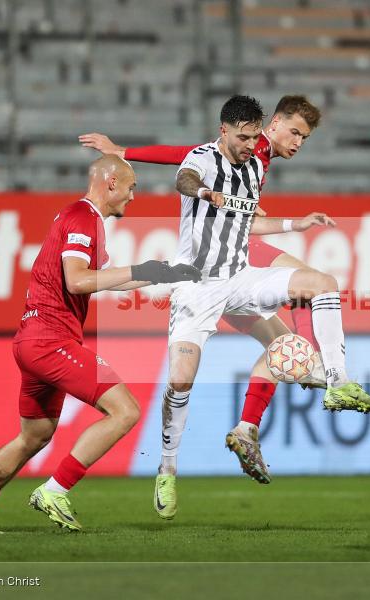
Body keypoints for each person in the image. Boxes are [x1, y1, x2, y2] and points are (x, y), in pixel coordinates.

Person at [80, 96, 344, 485]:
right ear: (273, 124)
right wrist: (124, 152)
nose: (298, 142)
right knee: (308, 285)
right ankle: (320, 368)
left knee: (283, 343)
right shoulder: (250, 146)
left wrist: (124, 150)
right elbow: (187, 160)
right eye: (295, 132)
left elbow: (186, 155)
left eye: (305, 138)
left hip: (233, 264)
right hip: (225, 253)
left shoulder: (251, 156)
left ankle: (248, 428)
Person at [154, 95, 370, 520]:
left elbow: (248, 222)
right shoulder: (203, 158)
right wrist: (206, 191)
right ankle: (168, 466)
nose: (252, 144)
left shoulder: (257, 166)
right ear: (226, 131)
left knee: (319, 290)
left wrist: (296, 223)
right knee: (181, 381)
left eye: (255, 137)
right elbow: (182, 178)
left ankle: (334, 383)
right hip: (197, 287)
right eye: (245, 137)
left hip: (239, 276)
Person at [0, 155, 200, 534]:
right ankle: (55, 490)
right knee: (126, 411)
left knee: (33, 436)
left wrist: (163, 274)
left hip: (32, 339)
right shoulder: (82, 217)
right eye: (131, 187)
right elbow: (78, 281)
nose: (134, 196)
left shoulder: (83, 221)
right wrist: (144, 270)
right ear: (111, 182)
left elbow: (101, 280)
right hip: (51, 339)